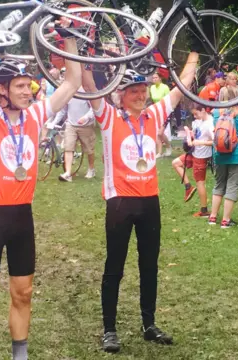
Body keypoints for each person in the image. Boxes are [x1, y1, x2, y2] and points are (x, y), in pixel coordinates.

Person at [0, 38, 81, 360]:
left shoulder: (36, 115)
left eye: (30, 85)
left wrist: (70, 42)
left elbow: (73, 82)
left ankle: (20, 356)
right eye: (20, 86)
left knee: (23, 293)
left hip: (22, 216)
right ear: (1, 90)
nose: (29, 91)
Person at [82, 53, 197, 353]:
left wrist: (194, 54)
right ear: (121, 96)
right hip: (120, 201)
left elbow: (182, 85)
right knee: (114, 267)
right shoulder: (108, 118)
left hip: (149, 202)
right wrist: (77, 54)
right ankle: (109, 329)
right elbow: (87, 84)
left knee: (149, 265)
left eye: (142, 90)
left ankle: (149, 324)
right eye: (133, 90)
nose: (140, 95)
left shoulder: (153, 116)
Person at [209, 86, 238, 228]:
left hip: (219, 154)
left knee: (219, 184)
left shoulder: (215, 113)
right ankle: (226, 220)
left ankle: (213, 217)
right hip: (237, 155)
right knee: (233, 186)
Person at [171, 104, 214, 215]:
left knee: (200, 183)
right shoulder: (199, 121)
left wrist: (201, 142)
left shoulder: (210, 124)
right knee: (176, 163)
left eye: (196, 113)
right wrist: (188, 133)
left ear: (203, 110)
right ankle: (188, 187)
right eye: (193, 114)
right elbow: (195, 136)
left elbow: (216, 142)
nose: (194, 116)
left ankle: (204, 211)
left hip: (201, 157)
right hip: (194, 152)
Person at [57, 92, 97, 182]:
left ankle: (91, 169)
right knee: (68, 147)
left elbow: (94, 108)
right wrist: (55, 122)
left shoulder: (86, 91)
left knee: (89, 149)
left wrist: (86, 117)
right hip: (71, 124)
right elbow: (63, 110)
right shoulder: (69, 92)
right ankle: (68, 173)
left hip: (86, 125)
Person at [149, 72, 172, 158]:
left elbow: (169, 100)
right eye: (153, 78)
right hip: (156, 111)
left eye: (156, 78)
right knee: (156, 133)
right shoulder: (152, 88)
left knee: (160, 133)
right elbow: (152, 100)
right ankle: (159, 152)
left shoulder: (165, 87)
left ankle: (168, 146)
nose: (154, 79)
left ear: (160, 78)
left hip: (165, 112)